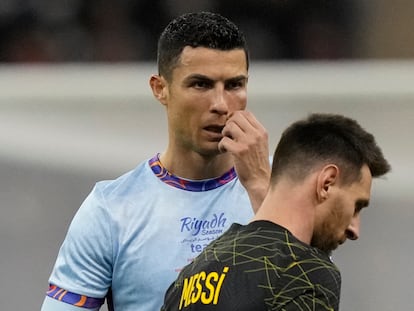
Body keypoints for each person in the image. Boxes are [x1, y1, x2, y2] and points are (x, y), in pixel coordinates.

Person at [41, 11, 271, 311]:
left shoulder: (284, 184)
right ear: (160, 89)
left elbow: (315, 296)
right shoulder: (111, 210)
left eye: (234, 85)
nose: (220, 104)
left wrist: (261, 188)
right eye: (200, 84)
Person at [161, 113, 391, 311]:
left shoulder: (189, 277)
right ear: (327, 183)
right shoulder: (305, 272)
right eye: (357, 206)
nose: (355, 228)